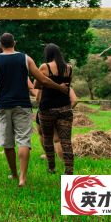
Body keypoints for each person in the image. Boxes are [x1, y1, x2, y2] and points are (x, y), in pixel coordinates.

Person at [0, 33, 68, 187]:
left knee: (8, 142)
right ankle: (23, 178)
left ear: (0, 44)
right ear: (14, 43)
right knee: (23, 140)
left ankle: (14, 173)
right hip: (23, 105)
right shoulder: (26, 58)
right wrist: (59, 87)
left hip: (4, 105)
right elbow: (42, 79)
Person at [35, 43, 76, 175]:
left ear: (48, 54)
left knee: (47, 138)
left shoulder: (44, 67)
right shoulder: (69, 68)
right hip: (65, 108)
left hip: (47, 108)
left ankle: (51, 167)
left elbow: (37, 84)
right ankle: (69, 171)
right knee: (66, 141)